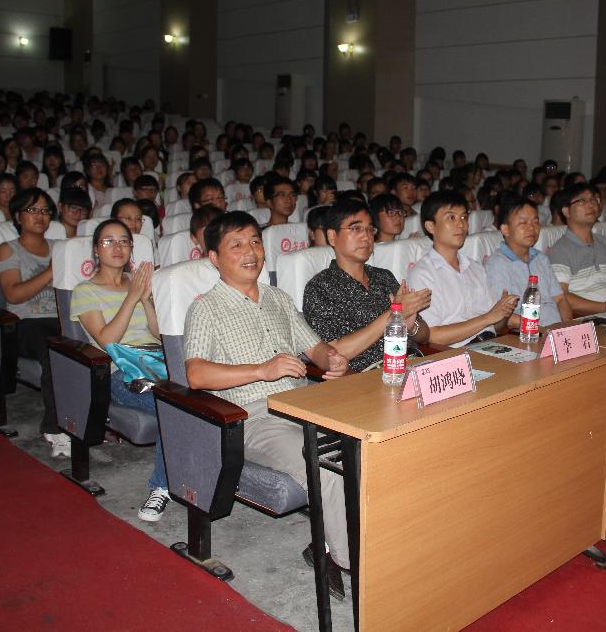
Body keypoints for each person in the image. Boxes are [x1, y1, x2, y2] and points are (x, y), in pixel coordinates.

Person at [182, 211, 351, 597]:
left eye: (255, 242)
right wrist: (262, 370)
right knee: (327, 464)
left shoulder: (278, 298)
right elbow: (196, 374)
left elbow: (314, 347)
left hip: (305, 403)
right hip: (254, 416)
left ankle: (335, 543)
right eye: (236, 245)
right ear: (214, 257)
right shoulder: (205, 308)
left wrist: (332, 359)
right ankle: (352, 559)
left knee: (366, 446)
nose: (251, 252)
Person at [70, 219, 167, 521]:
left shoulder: (139, 284)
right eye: (108, 241)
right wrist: (132, 297)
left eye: (124, 241)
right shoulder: (85, 291)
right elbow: (107, 341)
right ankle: (162, 487)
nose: (117, 247)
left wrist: (147, 299)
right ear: (96, 250)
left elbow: (160, 334)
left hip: (157, 363)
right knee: (174, 410)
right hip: (119, 373)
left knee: (200, 401)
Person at [303, 199, 431, 371]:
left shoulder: (383, 276)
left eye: (370, 230)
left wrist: (411, 326)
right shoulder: (320, 288)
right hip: (365, 376)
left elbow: (425, 335)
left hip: (411, 364)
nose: (366, 237)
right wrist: (393, 315)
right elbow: (334, 353)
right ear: (332, 236)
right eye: (356, 229)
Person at [0, 188, 67, 457]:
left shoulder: (61, 248)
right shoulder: (8, 249)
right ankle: (54, 427)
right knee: (56, 353)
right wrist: (52, 270)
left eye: (45, 210)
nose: (40, 216)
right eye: (32, 210)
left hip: (62, 319)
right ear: (17, 216)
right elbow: (13, 294)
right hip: (27, 323)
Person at [406, 190, 517, 347]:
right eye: (451, 217)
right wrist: (487, 318)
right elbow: (432, 336)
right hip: (455, 353)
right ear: (430, 226)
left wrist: (503, 312)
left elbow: (496, 326)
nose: (461, 224)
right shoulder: (422, 274)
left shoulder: (475, 267)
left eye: (464, 217)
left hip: (490, 344)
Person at [486, 199, 572, 329]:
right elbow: (500, 316)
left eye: (535, 222)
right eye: (523, 223)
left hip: (555, 330)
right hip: (526, 333)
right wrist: (540, 329)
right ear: (505, 229)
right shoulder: (497, 264)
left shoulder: (541, 258)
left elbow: (560, 299)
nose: (532, 228)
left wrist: (569, 326)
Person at [548, 184, 606, 315]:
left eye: (593, 199)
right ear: (566, 211)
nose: (591, 205)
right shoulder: (560, 250)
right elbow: (561, 296)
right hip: (591, 317)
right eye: (582, 201)